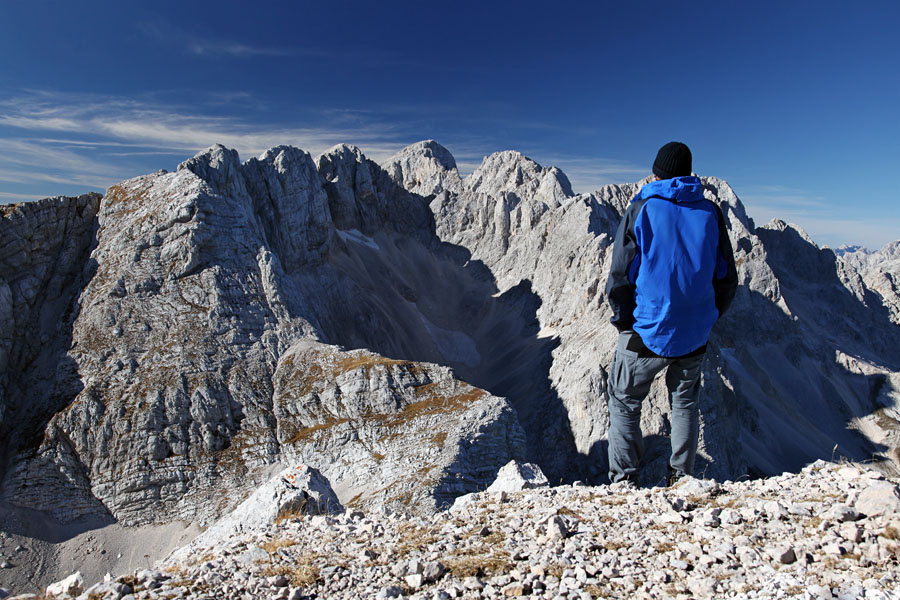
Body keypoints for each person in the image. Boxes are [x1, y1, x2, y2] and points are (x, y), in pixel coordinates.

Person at [604, 141, 738, 485]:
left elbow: (621, 276)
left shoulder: (642, 209)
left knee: (624, 402)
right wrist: (707, 317)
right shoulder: (710, 213)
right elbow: (726, 277)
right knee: (685, 405)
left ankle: (624, 481)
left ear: (657, 173)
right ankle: (681, 479)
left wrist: (625, 322)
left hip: (645, 331)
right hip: (694, 332)